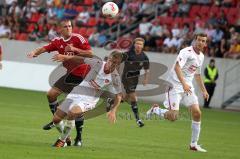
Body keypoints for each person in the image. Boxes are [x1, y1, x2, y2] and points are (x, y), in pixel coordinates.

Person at [27, 19, 93, 146]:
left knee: (76, 110)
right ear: (60, 29)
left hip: (83, 77)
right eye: (65, 26)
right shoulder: (58, 41)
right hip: (70, 75)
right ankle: (57, 121)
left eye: (70, 26)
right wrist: (35, 52)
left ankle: (78, 138)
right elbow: (45, 48)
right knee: (51, 94)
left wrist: (74, 49)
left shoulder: (79, 38)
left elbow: (90, 54)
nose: (69, 28)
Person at [146, 33, 209, 152]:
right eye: (199, 40)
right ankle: (156, 110)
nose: (201, 42)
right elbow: (177, 67)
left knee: (197, 113)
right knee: (173, 117)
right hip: (174, 85)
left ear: (205, 43)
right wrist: (184, 83)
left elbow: (198, 74)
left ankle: (193, 144)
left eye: (203, 41)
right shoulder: (186, 52)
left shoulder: (201, 56)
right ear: (195, 40)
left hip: (187, 87)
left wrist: (204, 90)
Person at [50, 51, 123, 147]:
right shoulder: (98, 63)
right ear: (108, 59)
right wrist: (64, 56)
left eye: (115, 63)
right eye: (110, 61)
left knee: (72, 112)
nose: (111, 64)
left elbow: (119, 95)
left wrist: (113, 110)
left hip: (89, 99)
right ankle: (67, 136)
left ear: (118, 64)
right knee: (56, 119)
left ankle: (62, 141)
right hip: (76, 92)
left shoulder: (115, 77)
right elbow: (81, 59)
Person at [122, 37, 150, 127]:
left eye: (140, 44)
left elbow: (147, 69)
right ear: (134, 44)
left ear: (143, 46)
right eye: (137, 43)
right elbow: (118, 61)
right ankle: (138, 119)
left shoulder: (144, 57)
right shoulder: (128, 54)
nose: (138, 45)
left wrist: (146, 79)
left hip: (135, 79)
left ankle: (111, 102)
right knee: (133, 97)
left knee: (126, 98)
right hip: (126, 77)